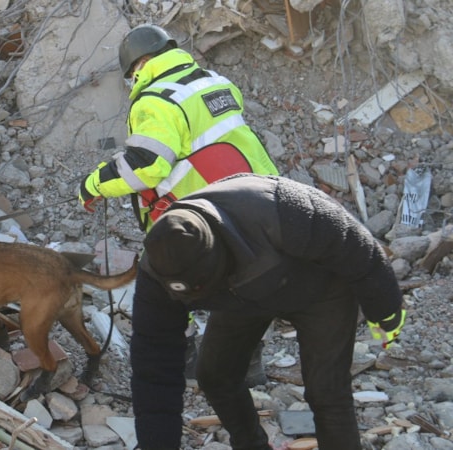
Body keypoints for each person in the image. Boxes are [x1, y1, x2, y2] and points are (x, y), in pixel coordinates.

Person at [133, 173, 407, 450]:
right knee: (216, 377)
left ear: (217, 263)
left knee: (327, 393)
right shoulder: (157, 271)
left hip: (321, 293)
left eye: (199, 289)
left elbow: (359, 247)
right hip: (242, 296)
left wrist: (385, 311)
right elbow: (153, 371)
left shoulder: (279, 209)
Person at [78, 24, 279, 384]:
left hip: (199, 216)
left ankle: (181, 365)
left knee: (169, 288)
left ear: (139, 65)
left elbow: (147, 166)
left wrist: (94, 184)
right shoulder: (214, 82)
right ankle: (247, 368)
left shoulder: (156, 100)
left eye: (130, 74)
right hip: (257, 199)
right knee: (243, 285)